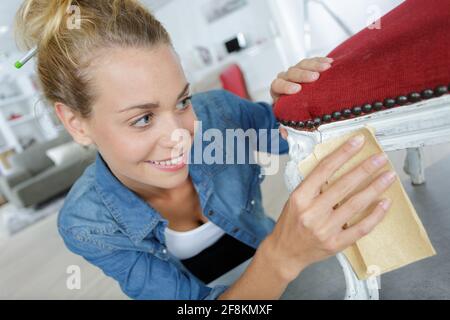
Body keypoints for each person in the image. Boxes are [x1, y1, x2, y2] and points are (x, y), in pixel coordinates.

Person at [15, 0, 396, 300]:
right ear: (76, 124)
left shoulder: (216, 114)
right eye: (143, 119)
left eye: (182, 101)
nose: (180, 135)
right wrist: (282, 256)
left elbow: (288, 138)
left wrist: (296, 106)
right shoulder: (86, 224)